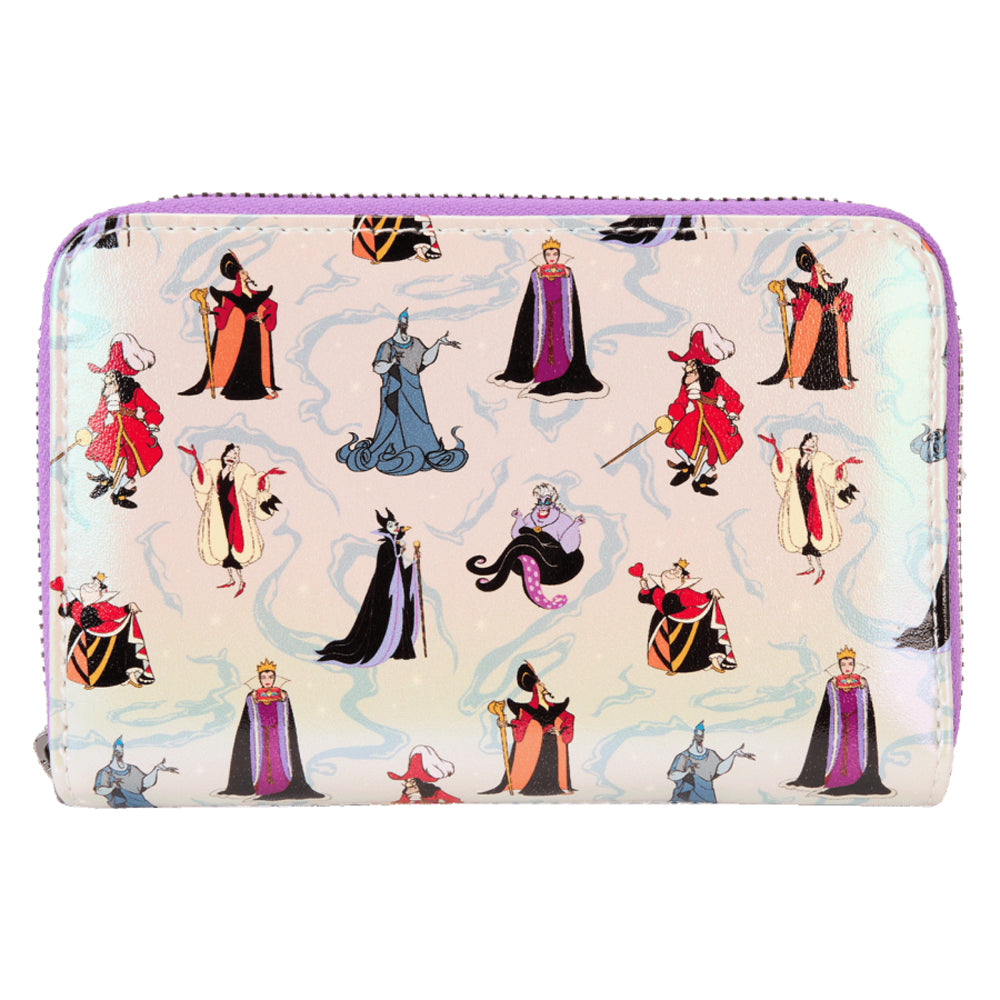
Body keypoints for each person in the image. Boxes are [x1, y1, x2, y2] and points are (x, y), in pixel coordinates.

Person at [336, 309, 467, 475]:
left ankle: (424, 448)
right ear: (398, 324)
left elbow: (425, 359)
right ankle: (394, 449)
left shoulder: (415, 342)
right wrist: (391, 364)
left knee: (419, 419)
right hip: (395, 390)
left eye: (406, 323)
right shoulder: (388, 345)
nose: (404, 326)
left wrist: (438, 343)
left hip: (413, 389)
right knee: (394, 421)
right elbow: (378, 367)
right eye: (402, 323)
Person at [489, 238, 608, 401]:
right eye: (549, 254)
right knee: (544, 343)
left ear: (558, 255)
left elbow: (570, 295)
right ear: (544, 256)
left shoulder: (566, 272)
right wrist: (538, 278)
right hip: (544, 315)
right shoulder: (536, 273)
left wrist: (566, 277)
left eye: (555, 254)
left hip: (561, 315)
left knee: (561, 343)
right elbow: (533, 297)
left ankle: (560, 372)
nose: (552, 257)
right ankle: (542, 372)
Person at [316, 509, 421, 666]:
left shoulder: (394, 546)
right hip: (386, 593)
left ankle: (398, 647)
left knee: (399, 618)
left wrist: (413, 562)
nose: (395, 527)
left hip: (396, 593)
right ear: (386, 529)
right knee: (385, 620)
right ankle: (385, 646)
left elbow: (399, 569)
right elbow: (385, 569)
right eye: (391, 526)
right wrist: (397, 557)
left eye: (395, 525)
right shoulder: (385, 547)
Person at [180, 443, 283, 598]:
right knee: (221, 548)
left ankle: (241, 581)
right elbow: (203, 483)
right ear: (224, 455)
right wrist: (195, 459)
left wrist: (263, 476)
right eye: (229, 454)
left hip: (236, 512)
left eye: (235, 456)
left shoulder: (241, 471)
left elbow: (252, 485)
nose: (231, 458)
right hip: (218, 512)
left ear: (237, 459)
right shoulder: (213, 468)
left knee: (235, 547)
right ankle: (230, 578)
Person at [788, 647, 892, 796]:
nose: (847, 667)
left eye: (850, 664)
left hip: (856, 724)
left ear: (854, 665)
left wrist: (862, 688)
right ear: (839, 666)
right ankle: (835, 779)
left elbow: (865, 707)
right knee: (837, 751)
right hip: (838, 725)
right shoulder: (833, 683)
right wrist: (834, 688)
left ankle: (855, 778)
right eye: (843, 664)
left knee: (855, 752)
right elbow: (829, 707)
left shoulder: (861, 682)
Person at [466, 482, 585, 609]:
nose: (542, 505)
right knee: (525, 540)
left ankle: (494, 581)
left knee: (529, 538)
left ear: (553, 502)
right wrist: (519, 519)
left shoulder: (562, 519)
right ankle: (493, 569)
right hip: (536, 558)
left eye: (547, 501)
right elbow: (518, 537)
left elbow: (568, 547)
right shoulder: (531, 518)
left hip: (559, 566)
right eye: (540, 501)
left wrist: (575, 525)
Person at [761, 432, 860, 583]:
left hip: (814, 502)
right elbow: (782, 471)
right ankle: (810, 566)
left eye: (813, 444)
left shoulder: (820, 461)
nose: (810, 446)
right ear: (802, 444)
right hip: (797, 501)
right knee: (801, 534)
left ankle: (820, 568)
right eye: (808, 443)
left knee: (814, 534)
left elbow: (830, 473)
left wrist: (842, 464)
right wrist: (775, 449)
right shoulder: (794, 459)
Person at [180, 250, 279, 400]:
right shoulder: (232, 297)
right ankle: (243, 391)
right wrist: (208, 312)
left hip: (255, 332)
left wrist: (263, 319)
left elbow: (272, 306)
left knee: (255, 360)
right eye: (244, 272)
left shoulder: (257, 295)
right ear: (238, 276)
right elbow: (223, 311)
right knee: (244, 358)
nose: (247, 274)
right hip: (243, 333)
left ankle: (260, 390)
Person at [220, 660, 322, 800]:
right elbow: (249, 717)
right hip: (260, 735)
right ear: (259, 679)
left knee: (277, 758)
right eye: (263, 677)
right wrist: (252, 699)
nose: (267, 680)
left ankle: (280, 785)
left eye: (270, 677)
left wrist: (284, 700)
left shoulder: (281, 694)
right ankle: (262, 786)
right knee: (261, 760)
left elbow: (286, 716)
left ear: (274, 678)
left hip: (277, 735)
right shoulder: (253, 695)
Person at [662, 323, 743, 496]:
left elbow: (732, 396)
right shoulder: (687, 383)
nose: (686, 368)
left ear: (700, 367)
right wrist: (671, 417)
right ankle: (687, 465)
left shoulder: (715, 381)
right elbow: (681, 402)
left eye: (690, 364)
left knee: (713, 455)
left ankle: (699, 479)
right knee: (677, 442)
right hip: (695, 419)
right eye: (687, 364)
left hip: (715, 421)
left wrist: (732, 411)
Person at [760, 244, 856, 390]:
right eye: (818, 264)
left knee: (832, 351)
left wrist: (838, 310)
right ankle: (818, 380)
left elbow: (848, 298)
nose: (822, 266)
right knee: (820, 350)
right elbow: (801, 302)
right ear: (814, 269)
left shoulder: (833, 287)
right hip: (819, 324)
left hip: (832, 323)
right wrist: (787, 303)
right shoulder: (810, 288)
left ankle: (836, 380)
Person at [84, 333, 162, 509]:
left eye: (111, 376)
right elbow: (100, 414)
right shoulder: (107, 393)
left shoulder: (134, 391)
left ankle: (119, 491)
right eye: (108, 376)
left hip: (133, 431)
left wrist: (152, 422)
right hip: (114, 430)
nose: (107, 379)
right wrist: (90, 430)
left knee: (132, 465)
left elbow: (151, 407)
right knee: (96, 453)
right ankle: (107, 479)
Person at [482, 663, 574, 796]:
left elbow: (569, 718)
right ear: (535, 688)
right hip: (538, 744)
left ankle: (555, 788)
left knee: (553, 765)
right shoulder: (528, 709)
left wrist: (560, 732)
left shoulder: (555, 707)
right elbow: (521, 724)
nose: (543, 685)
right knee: (540, 765)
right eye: (540, 684)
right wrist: (505, 724)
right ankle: (538, 789)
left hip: (553, 743)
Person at [633, 560, 737, 674]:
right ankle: (670, 667)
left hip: (683, 624)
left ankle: (710, 661)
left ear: (682, 578)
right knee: (664, 648)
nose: (673, 571)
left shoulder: (684, 593)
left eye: (678, 571)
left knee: (683, 648)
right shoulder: (657, 590)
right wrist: (645, 589)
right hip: (662, 623)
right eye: (674, 569)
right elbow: (644, 598)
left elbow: (700, 598)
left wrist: (710, 593)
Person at [54, 573, 155, 688]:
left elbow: (116, 612)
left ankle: (126, 675)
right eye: (92, 583)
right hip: (82, 637)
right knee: (81, 662)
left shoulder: (101, 607)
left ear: (100, 592)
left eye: (96, 585)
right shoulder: (76, 604)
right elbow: (64, 612)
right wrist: (63, 598)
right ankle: (87, 681)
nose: (91, 586)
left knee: (105, 661)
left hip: (102, 638)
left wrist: (128, 607)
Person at [668, 722, 754, 804]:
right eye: (698, 735)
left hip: (707, 797)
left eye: (702, 735)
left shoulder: (710, 753)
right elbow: (672, 775)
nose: (700, 737)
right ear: (694, 736)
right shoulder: (684, 756)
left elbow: (720, 769)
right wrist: (686, 773)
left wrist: (733, 755)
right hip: (686, 799)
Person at [94, 736, 177, 808]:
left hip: (141, 804)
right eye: (117, 750)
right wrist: (112, 787)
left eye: (120, 749)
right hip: (122, 806)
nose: (118, 751)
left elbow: (145, 783)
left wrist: (156, 769)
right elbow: (99, 790)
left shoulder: (132, 768)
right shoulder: (106, 772)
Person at [388, 745, 461, 803]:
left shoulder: (432, 791)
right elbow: (402, 801)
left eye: (412, 782)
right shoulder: (407, 792)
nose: (407, 785)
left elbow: (452, 799)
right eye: (407, 781)